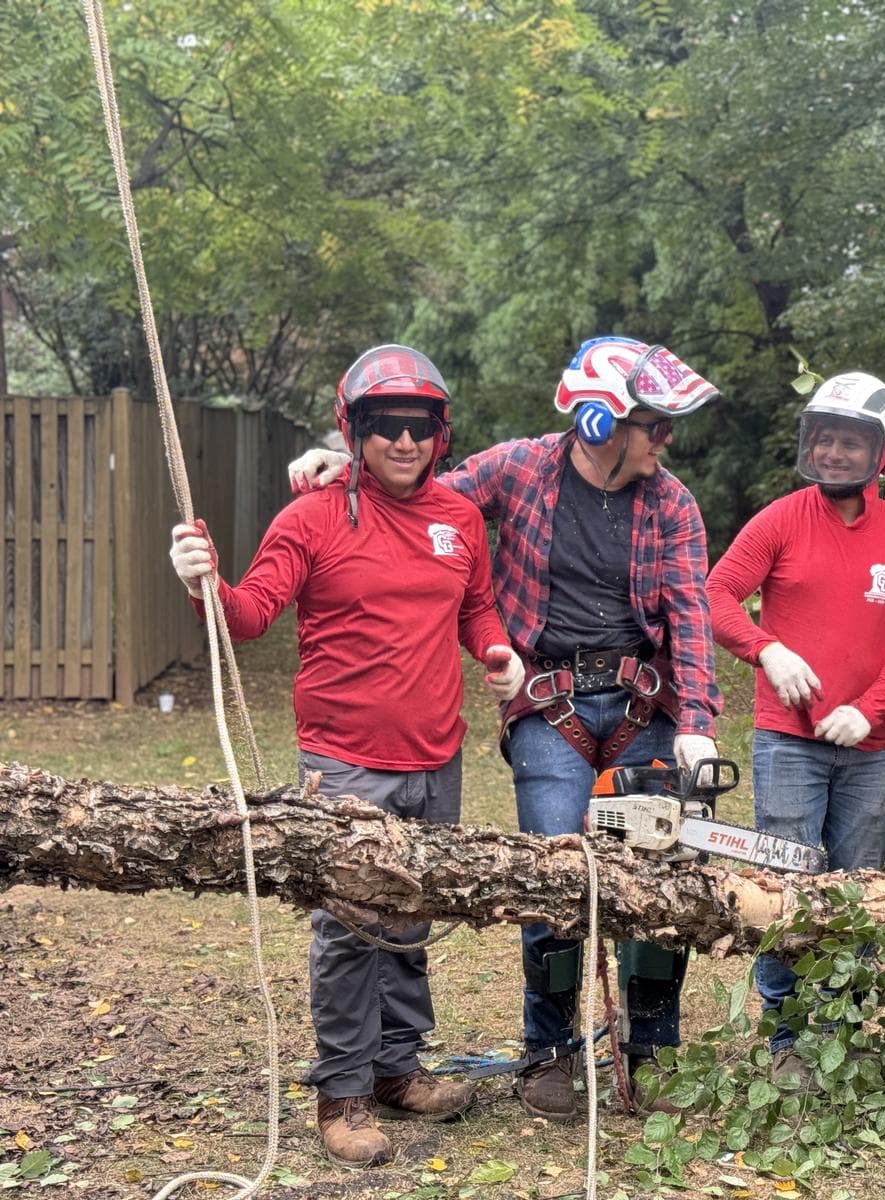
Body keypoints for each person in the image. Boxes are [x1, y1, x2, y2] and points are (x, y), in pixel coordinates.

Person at [287, 336, 722, 1121]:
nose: (665, 439)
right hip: (547, 704)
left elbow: (691, 614)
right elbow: (415, 495)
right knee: (552, 874)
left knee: (659, 881)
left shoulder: (673, 503)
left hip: (642, 707)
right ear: (600, 422)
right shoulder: (520, 468)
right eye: (652, 423)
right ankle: (547, 1052)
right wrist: (340, 466)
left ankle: (652, 1049)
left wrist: (697, 723)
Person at [168, 344, 526, 1170]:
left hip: (437, 753)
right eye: (384, 426)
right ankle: (343, 1092)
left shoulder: (460, 518)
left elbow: (478, 607)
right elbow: (250, 615)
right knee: (348, 926)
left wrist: (497, 651)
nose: (403, 442)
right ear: (354, 430)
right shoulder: (312, 516)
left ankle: (400, 1069)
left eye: (419, 427)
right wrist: (204, 585)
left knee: (411, 915)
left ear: (441, 433)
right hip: (345, 759)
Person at [705, 373, 885, 1085]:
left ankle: (840, 1027)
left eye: (852, 442)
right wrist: (767, 650)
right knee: (787, 882)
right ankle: (787, 1038)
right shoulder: (779, 519)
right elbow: (714, 595)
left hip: (871, 747)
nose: (835, 453)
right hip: (787, 739)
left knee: (856, 883)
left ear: (884, 454)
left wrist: (868, 708)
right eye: (826, 439)